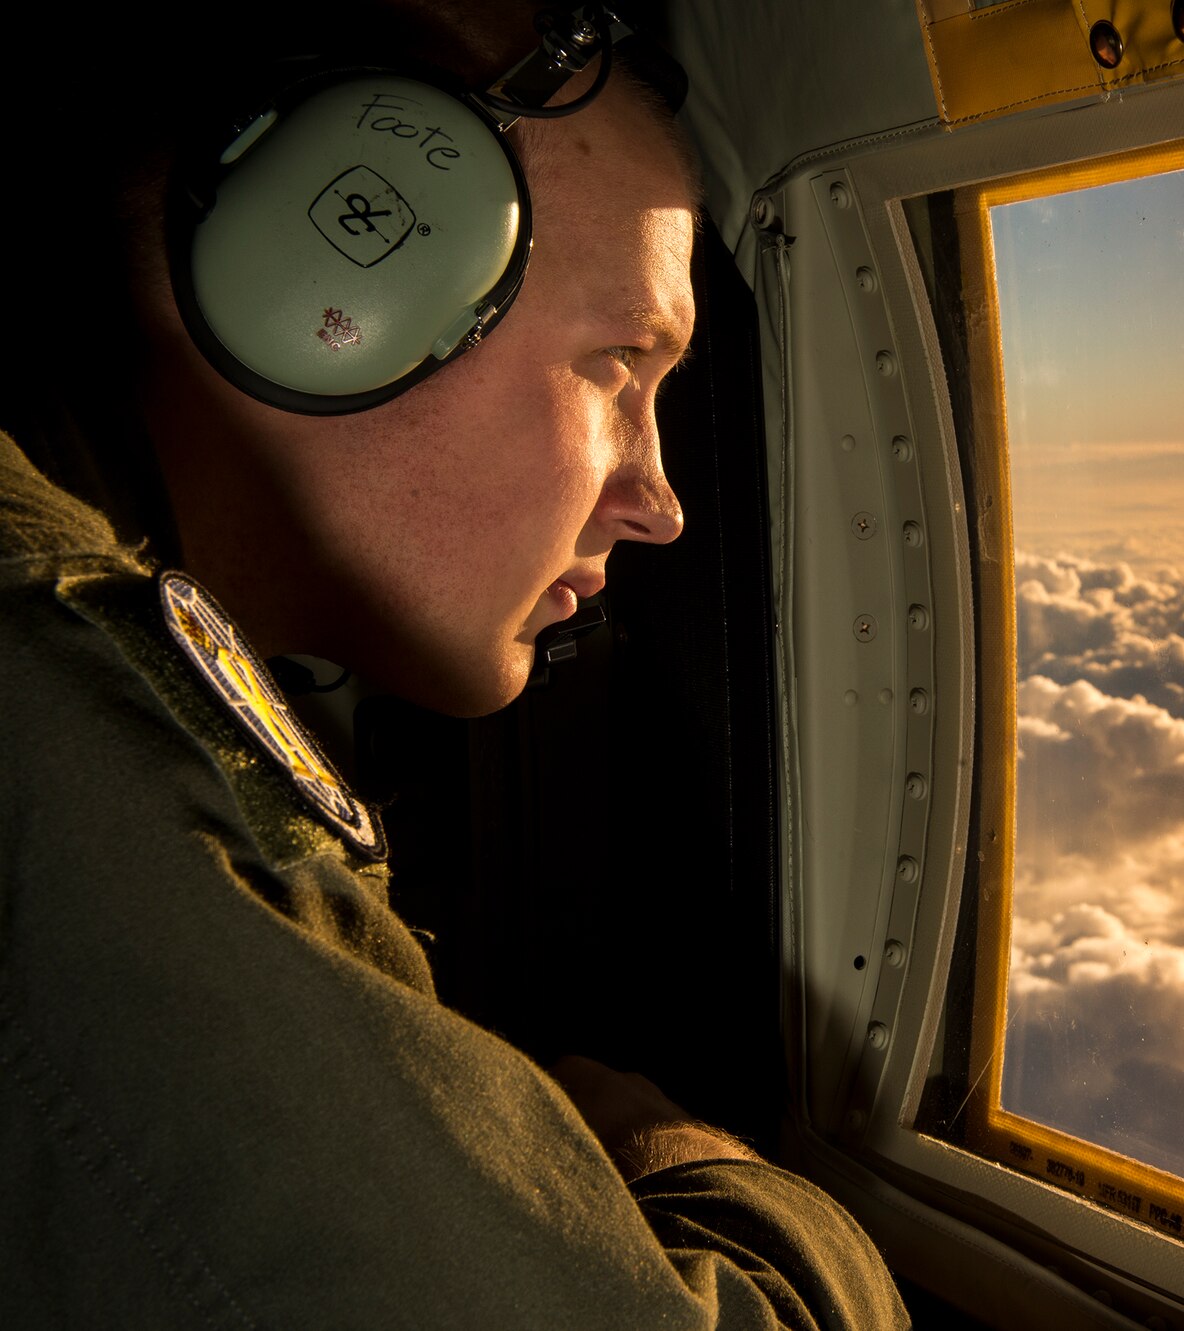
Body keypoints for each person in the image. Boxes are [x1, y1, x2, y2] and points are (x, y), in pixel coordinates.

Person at [0, 3, 909, 1326]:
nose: (662, 502)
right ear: (322, 279)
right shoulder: (62, 717)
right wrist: (680, 1159)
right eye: (618, 365)